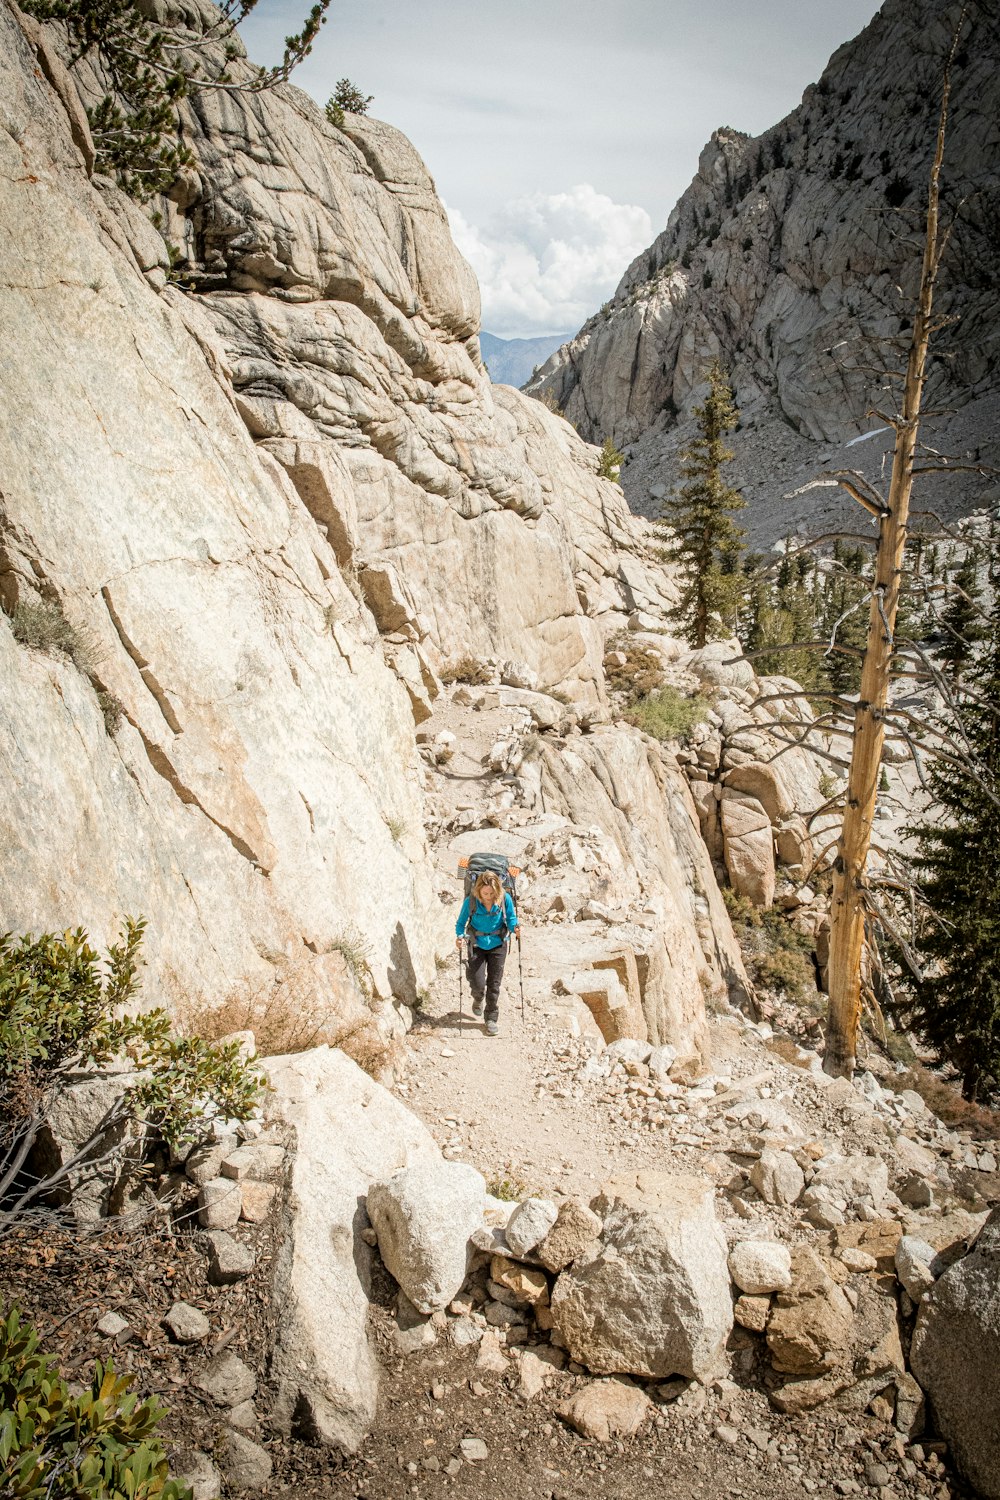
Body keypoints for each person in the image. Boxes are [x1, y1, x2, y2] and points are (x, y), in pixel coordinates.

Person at [455, 871, 518, 1036]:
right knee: (478, 983)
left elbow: (511, 918)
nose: (489, 896)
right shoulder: (471, 901)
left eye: (492, 893)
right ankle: (477, 997)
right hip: (477, 944)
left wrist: (515, 928)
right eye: (485, 893)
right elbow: (461, 923)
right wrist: (460, 936)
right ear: (478, 890)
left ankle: (491, 1018)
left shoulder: (504, 899)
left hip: (499, 944)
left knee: (494, 984)